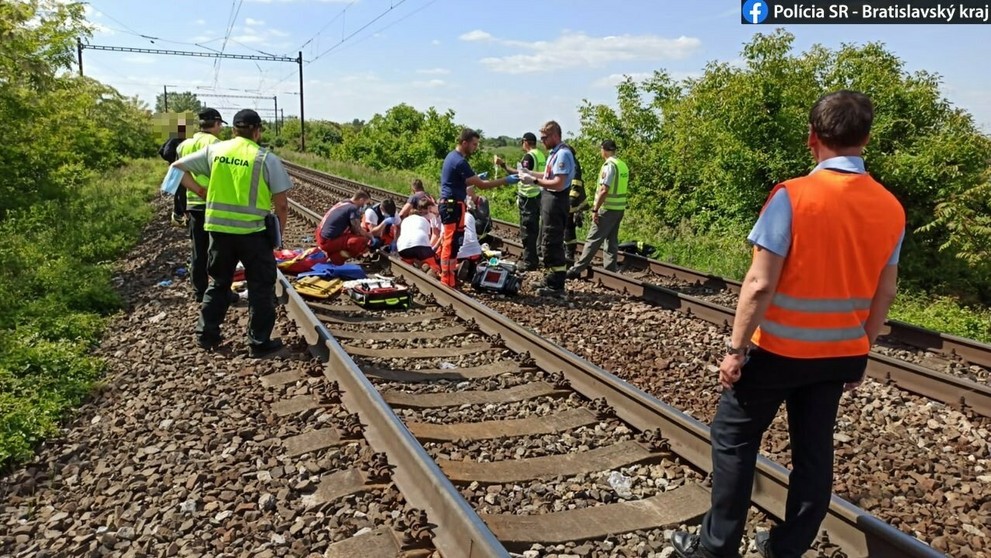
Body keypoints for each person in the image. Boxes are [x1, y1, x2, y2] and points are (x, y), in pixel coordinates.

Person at [669, 91, 905, 558]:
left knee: (733, 441)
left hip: (775, 351)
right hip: (839, 354)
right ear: (867, 139)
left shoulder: (792, 196)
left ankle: (717, 548)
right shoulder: (890, 207)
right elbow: (886, 292)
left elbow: (759, 284)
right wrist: (863, 350)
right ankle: (785, 548)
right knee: (814, 455)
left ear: (812, 138)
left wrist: (735, 350)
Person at [171, 109, 293, 358]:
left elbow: (176, 167)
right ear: (257, 131)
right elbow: (281, 205)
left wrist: (200, 190)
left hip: (219, 231)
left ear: (233, 130)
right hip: (254, 233)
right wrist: (278, 234)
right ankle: (258, 342)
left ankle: (207, 335)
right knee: (260, 287)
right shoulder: (266, 158)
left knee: (218, 283)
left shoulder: (216, 151)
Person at [438, 128, 519, 288]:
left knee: (455, 243)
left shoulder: (453, 157)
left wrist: (473, 179)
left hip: (454, 204)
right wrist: (506, 180)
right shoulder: (459, 161)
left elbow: (462, 182)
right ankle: (446, 279)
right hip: (451, 206)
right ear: (464, 143)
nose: (475, 147)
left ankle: (451, 276)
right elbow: (482, 186)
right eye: (474, 144)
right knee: (450, 242)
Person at [518, 121, 574, 297]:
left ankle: (556, 285)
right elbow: (547, 175)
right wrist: (530, 174)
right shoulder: (553, 153)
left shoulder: (563, 154)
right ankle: (550, 278)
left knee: (552, 241)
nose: (542, 141)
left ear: (555, 136)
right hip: (549, 199)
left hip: (557, 200)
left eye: (544, 137)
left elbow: (558, 183)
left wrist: (533, 181)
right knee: (546, 240)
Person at [176, 108, 225, 303]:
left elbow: (177, 173)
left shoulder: (184, 145)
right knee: (218, 249)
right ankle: (218, 289)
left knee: (198, 248)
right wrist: (205, 191)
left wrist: (195, 190)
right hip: (213, 203)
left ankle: (199, 290)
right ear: (217, 124)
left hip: (193, 204)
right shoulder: (218, 145)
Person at [567, 139, 629, 279]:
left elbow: (604, 190)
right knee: (611, 240)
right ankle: (610, 270)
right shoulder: (622, 165)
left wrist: (595, 209)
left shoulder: (609, 166)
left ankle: (577, 269)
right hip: (619, 208)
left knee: (593, 239)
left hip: (606, 208)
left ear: (604, 149)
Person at [496, 132, 545, 270]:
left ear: (526, 142)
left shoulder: (529, 156)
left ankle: (529, 262)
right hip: (537, 195)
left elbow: (520, 175)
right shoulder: (540, 155)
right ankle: (533, 258)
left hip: (528, 197)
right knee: (534, 228)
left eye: (522, 142)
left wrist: (503, 165)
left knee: (527, 230)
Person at [317, 190, 375, 265]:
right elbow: (357, 230)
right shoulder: (353, 209)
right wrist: (370, 236)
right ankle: (335, 259)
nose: (364, 206)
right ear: (361, 200)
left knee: (351, 235)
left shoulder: (344, 202)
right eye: (365, 203)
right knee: (360, 241)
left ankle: (332, 255)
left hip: (320, 235)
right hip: (326, 242)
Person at [396, 197, 440, 276]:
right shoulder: (424, 220)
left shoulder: (404, 221)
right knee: (429, 260)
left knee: (408, 259)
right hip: (420, 245)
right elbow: (427, 238)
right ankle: (433, 269)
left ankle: (411, 266)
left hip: (403, 248)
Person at [158, 123, 187, 226]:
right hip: (179, 169)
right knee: (181, 192)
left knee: (179, 191)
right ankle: (179, 216)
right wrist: (174, 160)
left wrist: (171, 162)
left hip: (176, 168)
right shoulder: (176, 140)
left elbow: (161, 151)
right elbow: (165, 153)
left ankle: (178, 215)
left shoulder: (172, 139)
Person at [563, 144, 588, 263]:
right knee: (566, 227)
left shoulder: (573, 162)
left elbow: (576, 183)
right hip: (568, 199)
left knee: (568, 227)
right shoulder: (571, 161)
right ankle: (567, 252)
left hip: (571, 200)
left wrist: (571, 201)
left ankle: (569, 254)